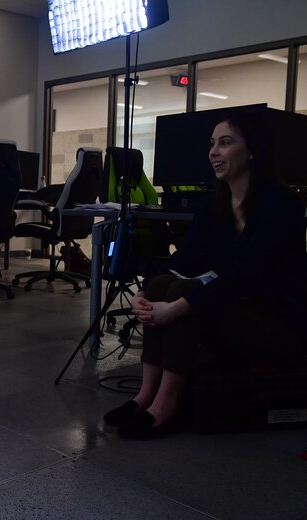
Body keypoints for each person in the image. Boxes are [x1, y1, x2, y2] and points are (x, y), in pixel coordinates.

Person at [103, 110, 307, 439]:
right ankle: (145, 395)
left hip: (277, 328)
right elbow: (184, 257)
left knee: (182, 294)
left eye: (225, 143)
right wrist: (144, 294)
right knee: (161, 284)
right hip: (238, 310)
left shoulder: (281, 205)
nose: (213, 151)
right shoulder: (216, 204)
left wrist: (177, 306)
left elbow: (243, 275)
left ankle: (166, 405)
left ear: (253, 150)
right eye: (212, 143)